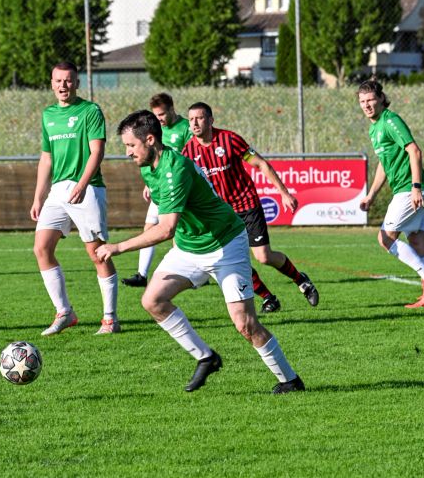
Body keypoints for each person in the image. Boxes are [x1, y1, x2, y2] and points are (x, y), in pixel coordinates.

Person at [95, 110, 304, 393]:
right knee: (153, 300)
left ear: (150, 139)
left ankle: (290, 380)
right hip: (188, 248)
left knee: (245, 324)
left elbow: (166, 227)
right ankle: (206, 357)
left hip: (224, 245)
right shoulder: (148, 167)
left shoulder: (175, 169)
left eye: (131, 145)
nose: (127, 152)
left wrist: (118, 247)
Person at [181, 102, 318, 313]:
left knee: (263, 256)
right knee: (232, 258)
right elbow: (181, 178)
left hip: (246, 205)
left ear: (210, 120)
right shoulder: (188, 151)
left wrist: (283, 192)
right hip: (221, 214)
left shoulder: (229, 139)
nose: (195, 123)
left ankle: (302, 280)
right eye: (191, 119)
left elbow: (260, 163)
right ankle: (268, 298)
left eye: (199, 118)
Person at [30, 61, 120, 335]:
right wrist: (38, 197)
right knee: (41, 248)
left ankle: (110, 319)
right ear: (52, 83)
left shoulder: (90, 111)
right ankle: (65, 312)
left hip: (88, 188)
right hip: (58, 191)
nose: (63, 86)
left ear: (77, 83)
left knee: (97, 254)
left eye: (68, 80)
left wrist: (81, 184)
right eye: (58, 81)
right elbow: (46, 158)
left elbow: (97, 151)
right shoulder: (48, 115)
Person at [357, 80, 424, 308]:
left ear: (381, 99)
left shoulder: (390, 120)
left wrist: (415, 187)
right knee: (416, 240)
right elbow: (384, 164)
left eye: (370, 100)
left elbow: (414, 150)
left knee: (385, 238)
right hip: (412, 187)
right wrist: (371, 195)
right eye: (362, 102)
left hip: (410, 188)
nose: (366, 105)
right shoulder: (374, 128)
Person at [122, 92, 192, 288]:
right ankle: (142, 274)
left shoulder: (185, 127)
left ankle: (190, 271)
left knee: (176, 228)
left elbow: (191, 155)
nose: (159, 119)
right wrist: (150, 183)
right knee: (150, 227)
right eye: (156, 115)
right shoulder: (151, 134)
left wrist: (119, 247)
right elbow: (153, 161)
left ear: (171, 109)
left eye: (162, 114)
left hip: (178, 184)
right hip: (160, 185)